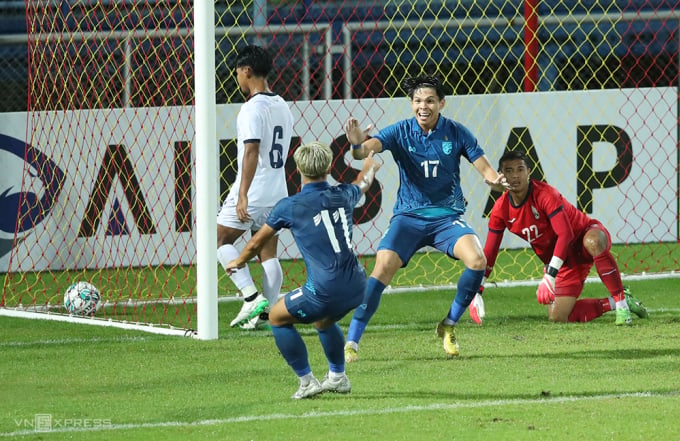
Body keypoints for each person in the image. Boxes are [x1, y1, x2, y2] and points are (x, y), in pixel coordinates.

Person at [343, 74, 510, 361]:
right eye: (418, 100)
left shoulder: (457, 132)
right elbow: (364, 151)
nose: (424, 106)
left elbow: (486, 170)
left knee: (477, 260)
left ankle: (449, 324)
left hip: (447, 217)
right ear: (411, 104)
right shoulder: (400, 131)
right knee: (382, 267)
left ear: (441, 103)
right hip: (408, 217)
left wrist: (495, 181)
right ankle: (352, 342)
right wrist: (358, 144)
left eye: (430, 100)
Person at [225, 141, 381, 399]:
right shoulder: (343, 194)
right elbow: (364, 182)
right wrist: (369, 165)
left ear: (297, 168)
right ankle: (337, 377)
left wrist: (239, 261)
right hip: (357, 285)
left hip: (325, 290)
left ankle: (307, 381)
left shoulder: (289, 206)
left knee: (276, 316)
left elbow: (256, 242)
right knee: (324, 320)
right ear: (330, 167)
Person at [470, 150, 648, 325]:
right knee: (558, 317)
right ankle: (615, 302)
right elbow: (490, 252)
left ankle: (621, 303)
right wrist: (478, 289)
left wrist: (550, 275)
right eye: (509, 171)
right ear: (501, 176)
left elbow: (566, 234)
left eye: (520, 169)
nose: (515, 175)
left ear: (529, 172)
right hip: (564, 260)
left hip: (583, 236)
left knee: (593, 242)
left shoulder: (545, 194)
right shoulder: (500, 210)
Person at [217, 44, 294, 330]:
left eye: (237, 72)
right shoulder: (282, 104)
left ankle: (250, 297)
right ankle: (268, 314)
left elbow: (251, 151)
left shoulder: (251, 109)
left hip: (256, 190)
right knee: (267, 253)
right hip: (277, 190)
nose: (237, 78)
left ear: (246, 71)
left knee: (220, 240)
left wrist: (242, 194)